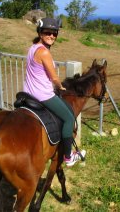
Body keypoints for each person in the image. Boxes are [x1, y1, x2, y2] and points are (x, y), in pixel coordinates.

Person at [23, 17, 86, 167]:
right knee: (70, 118)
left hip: (28, 92)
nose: (51, 36)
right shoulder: (44, 53)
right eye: (47, 32)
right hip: (43, 95)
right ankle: (68, 157)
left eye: (54, 33)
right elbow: (54, 78)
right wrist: (61, 86)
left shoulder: (32, 48)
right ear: (40, 33)